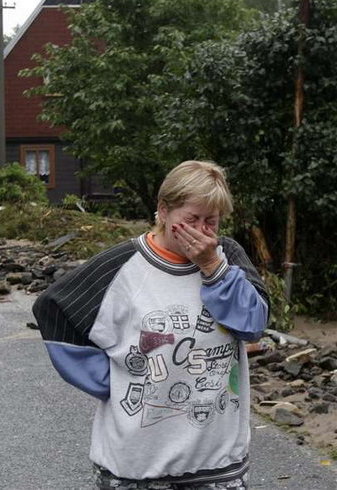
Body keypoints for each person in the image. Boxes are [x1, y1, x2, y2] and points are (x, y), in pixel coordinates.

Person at [32, 160, 269, 489]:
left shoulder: (227, 255)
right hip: (137, 466)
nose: (201, 231)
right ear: (163, 211)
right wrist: (112, 382)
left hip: (217, 464)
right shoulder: (122, 266)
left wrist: (212, 267)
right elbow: (53, 310)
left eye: (210, 221)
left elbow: (254, 325)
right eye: (191, 219)